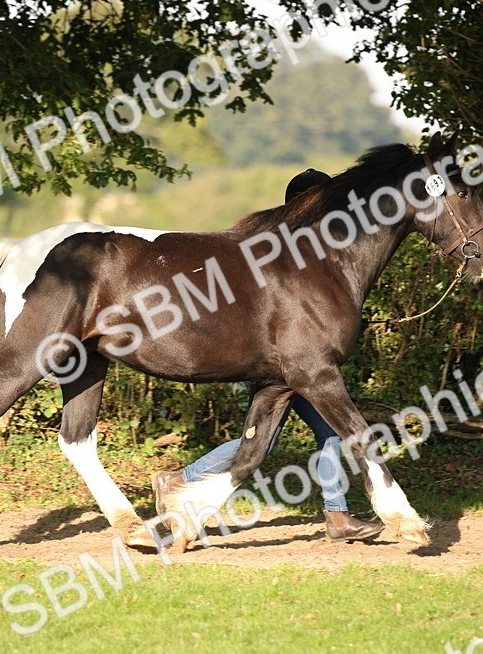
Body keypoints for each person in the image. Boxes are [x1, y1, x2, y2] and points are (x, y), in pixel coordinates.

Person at [152, 169, 384, 543]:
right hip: (275, 363)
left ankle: (337, 517)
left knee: (325, 432)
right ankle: (180, 479)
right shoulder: (283, 249)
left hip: (291, 362)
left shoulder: (310, 253)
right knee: (271, 438)